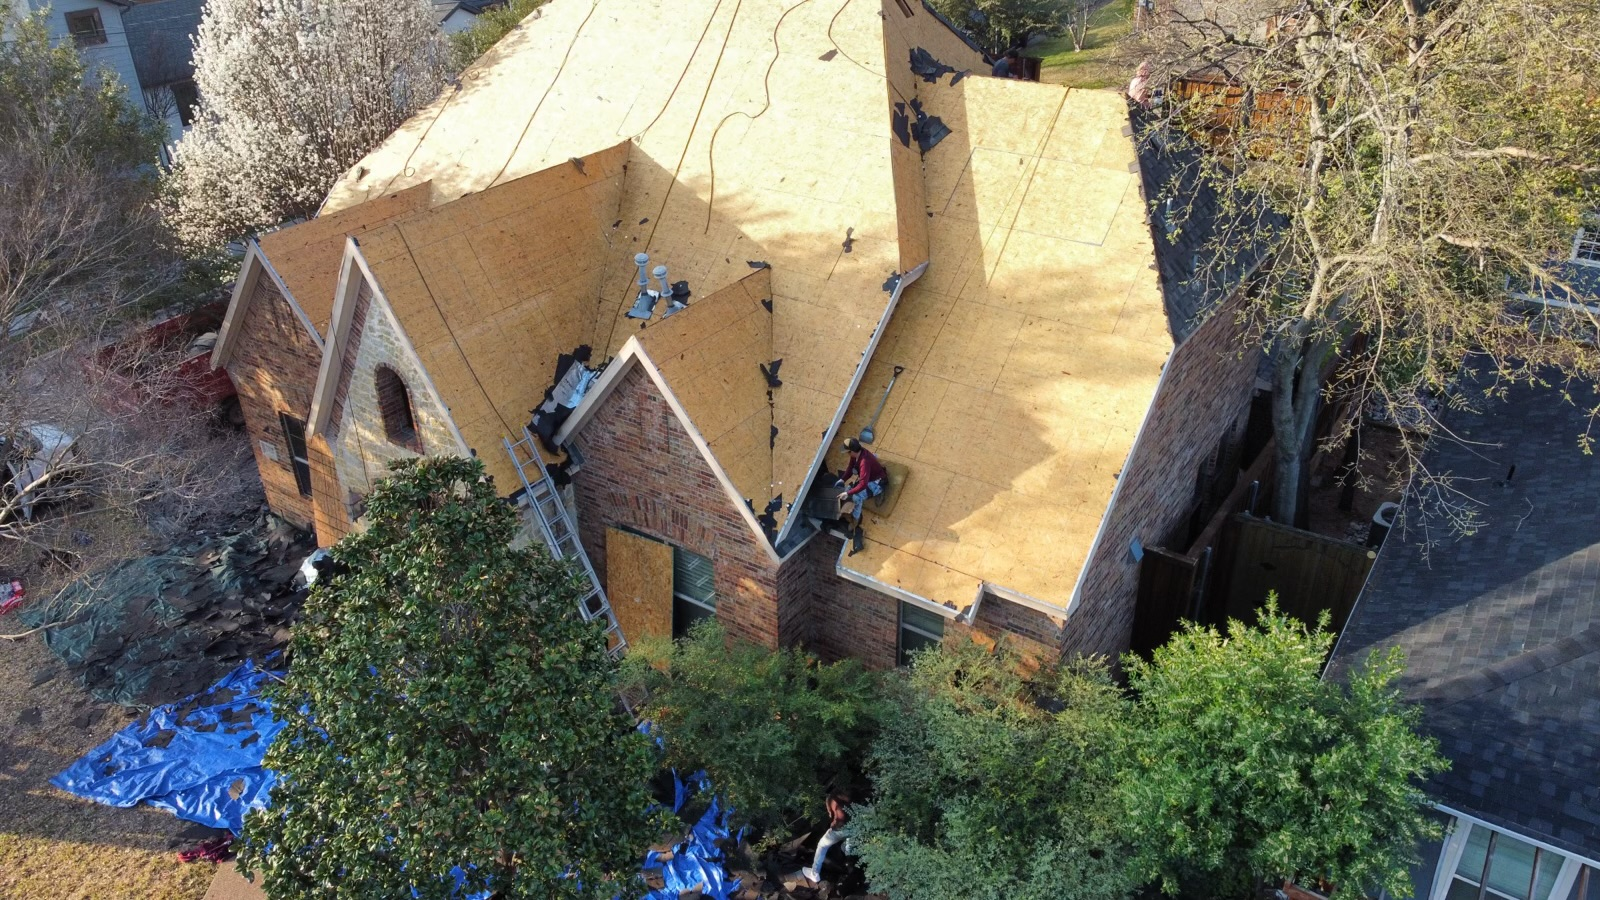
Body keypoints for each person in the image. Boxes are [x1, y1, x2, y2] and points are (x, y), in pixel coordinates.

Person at [801, 791, 851, 884]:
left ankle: (814, 873)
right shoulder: (848, 797)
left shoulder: (831, 800)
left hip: (840, 829)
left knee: (822, 845)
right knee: (847, 844)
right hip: (854, 827)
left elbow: (835, 817)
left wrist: (833, 827)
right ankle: (849, 861)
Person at [837, 438, 887, 526]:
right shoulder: (856, 455)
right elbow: (850, 468)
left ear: (852, 451)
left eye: (847, 452)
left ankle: (856, 519)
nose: (847, 454)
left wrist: (848, 493)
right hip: (868, 477)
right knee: (850, 489)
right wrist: (842, 479)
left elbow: (863, 484)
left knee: (856, 497)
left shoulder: (864, 462)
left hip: (877, 483)